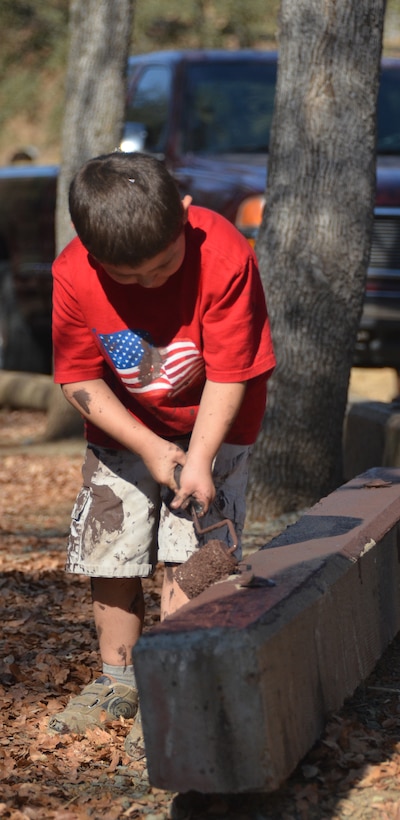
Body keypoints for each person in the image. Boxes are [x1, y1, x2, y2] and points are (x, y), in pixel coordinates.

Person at [48, 151, 275, 756]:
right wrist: (148, 446)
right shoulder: (73, 273)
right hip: (124, 427)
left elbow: (230, 374)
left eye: (163, 266)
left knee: (191, 554)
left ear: (184, 214)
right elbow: (78, 378)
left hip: (217, 425)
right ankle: (119, 679)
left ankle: (175, 683)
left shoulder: (226, 257)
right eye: (129, 276)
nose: (150, 283)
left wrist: (197, 458)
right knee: (111, 547)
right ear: (92, 253)